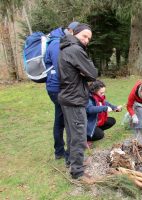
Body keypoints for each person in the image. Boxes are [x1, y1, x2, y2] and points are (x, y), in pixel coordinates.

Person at [58, 23, 98, 181]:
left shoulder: (65, 47)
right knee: (79, 136)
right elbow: (93, 74)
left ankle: (71, 161)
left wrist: (84, 72)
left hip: (67, 97)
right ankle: (78, 172)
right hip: (74, 99)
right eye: (84, 36)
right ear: (75, 33)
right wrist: (86, 72)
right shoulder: (75, 49)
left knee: (71, 134)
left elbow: (86, 73)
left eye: (89, 38)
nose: (87, 40)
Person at [45, 21, 79, 160]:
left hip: (58, 87)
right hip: (57, 88)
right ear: (70, 31)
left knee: (61, 118)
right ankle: (66, 153)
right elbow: (61, 68)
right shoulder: (56, 44)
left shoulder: (60, 40)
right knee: (66, 119)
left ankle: (59, 151)